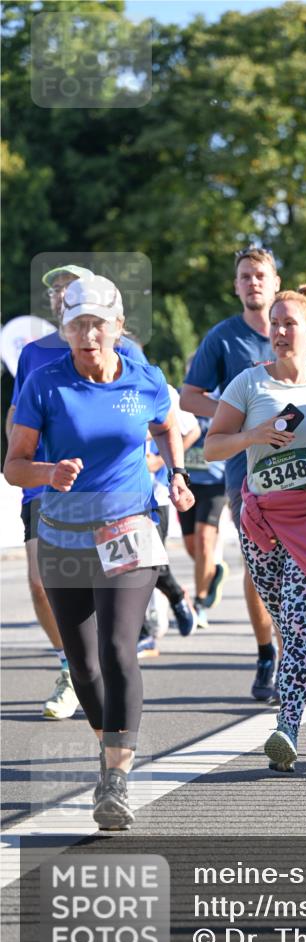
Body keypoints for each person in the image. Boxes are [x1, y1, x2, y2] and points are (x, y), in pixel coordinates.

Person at [3, 275, 194, 830]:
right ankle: (107, 742)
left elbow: (167, 426)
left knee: (117, 648)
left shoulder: (144, 377)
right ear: (65, 329)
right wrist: (48, 473)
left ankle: (115, 777)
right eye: (77, 325)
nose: (87, 335)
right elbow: (13, 466)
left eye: (97, 325)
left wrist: (177, 473)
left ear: (117, 327)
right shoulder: (44, 384)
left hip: (129, 528)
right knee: (83, 664)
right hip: (64, 535)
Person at [204, 284, 306, 772]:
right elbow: (212, 446)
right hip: (263, 522)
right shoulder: (249, 383)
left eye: (289, 323)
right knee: (288, 626)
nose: (278, 331)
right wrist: (253, 434)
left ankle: (285, 728)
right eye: (274, 323)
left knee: (297, 624)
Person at [181, 246, 306, 702]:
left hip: (304, 471)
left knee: (299, 566)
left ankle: (296, 659)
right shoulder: (223, 338)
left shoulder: (301, 329)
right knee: (262, 560)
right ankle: (270, 651)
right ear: (236, 286)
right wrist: (240, 415)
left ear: (275, 282)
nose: (253, 283)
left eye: (260, 275)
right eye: (245, 276)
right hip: (245, 471)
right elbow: (189, 396)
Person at [5, 264, 145, 719]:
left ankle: (116, 649)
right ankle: (71, 664)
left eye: (70, 288)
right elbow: (16, 418)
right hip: (45, 489)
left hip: (114, 497)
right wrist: (36, 465)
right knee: (39, 583)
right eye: (57, 291)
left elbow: (151, 415)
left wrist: (168, 471)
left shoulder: (127, 350)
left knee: (112, 613)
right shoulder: (33, 355)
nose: (60, 294)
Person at [137, 383, 201, 657]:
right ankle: (143, 633)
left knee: (148, 563)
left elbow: (192, 430)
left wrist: (162, 462)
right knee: (126, 565)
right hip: (115, 496)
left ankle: (173, 598)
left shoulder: (160, 387)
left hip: (157, 494)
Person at [177, 376, 229, 629]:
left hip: (216, 481)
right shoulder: (180, 398)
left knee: (204, 539)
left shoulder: (223, 399)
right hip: (187, 481)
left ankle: (199, 603)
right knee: (192, 547)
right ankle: (214, 570)